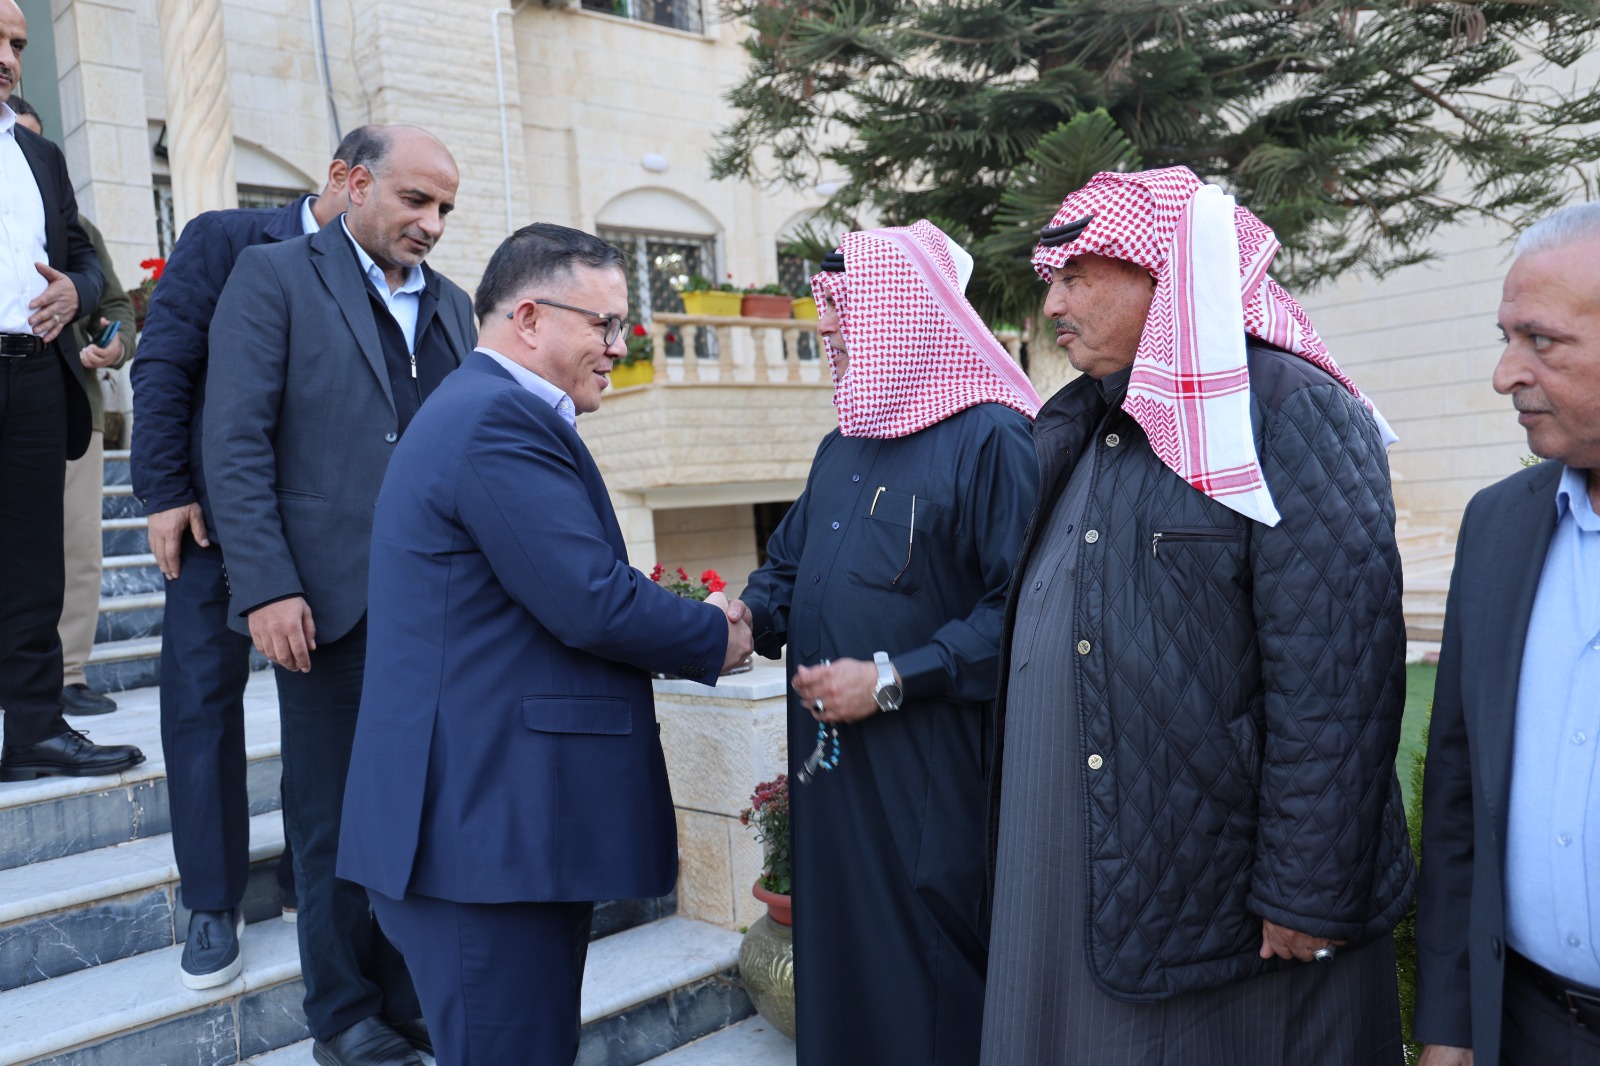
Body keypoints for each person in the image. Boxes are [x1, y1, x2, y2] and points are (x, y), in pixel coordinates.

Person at [981, 166, 1414, 1065]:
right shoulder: (1083, 421)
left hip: (1227, 902)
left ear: (1164, 273)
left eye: (1076, 277)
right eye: (1051, 280)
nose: (1053, 303)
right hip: (1096, 868)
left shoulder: (1291, 410)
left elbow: (1338, 675)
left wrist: (1309, 889)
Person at [339, 222, 754, 1066]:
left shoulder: (482, 410)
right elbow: (589, 601)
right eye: (605, 324)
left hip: (494, 832)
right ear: (529, 318)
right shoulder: (495, 419)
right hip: (482, 837)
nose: (620, 345)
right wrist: (718, 635)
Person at [729, 220, 1041, 1066]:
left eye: (846, 306)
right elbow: (787, 566)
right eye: (825, 307)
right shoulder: (843, 445)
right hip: (834, 781)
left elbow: (1025, 611)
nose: (827, 326)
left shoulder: (993, 437)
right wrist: (744, 620)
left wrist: (896, 677)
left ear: (911, 314)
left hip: (929, 778)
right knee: (843, 964)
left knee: (925, 975)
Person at [204, 125, 476, 1066]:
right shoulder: (273, 277)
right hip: (323, 607)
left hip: (440, 608)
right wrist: (268, 587)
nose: (432, 223)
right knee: (330, 822)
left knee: (421, 812)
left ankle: (407, 995)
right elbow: (234, 443)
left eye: (445, 208)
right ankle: (343, 1014)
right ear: (350, 183)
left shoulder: (453, 305)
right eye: (415, 200)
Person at [132, 128, 376, 991]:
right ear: (346, 182)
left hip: (327, 529)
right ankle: (211, 899)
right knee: (200, 698)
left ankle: (313, 877)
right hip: (213, 519)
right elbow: (164, 362)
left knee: (325, 707)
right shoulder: (224, 240)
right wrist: (164, 489)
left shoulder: (379, 274)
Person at [1414, 202, 1600, 1066]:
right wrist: (1451, 1024)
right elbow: (1458, 793)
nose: (1504, 375)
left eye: (1542, 341)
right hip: (1523, 1029)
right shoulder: (1497, 527)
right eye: (1506, 337)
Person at [0, 0, 143, 782]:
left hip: (33, 372)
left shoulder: (39, 157)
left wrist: (76, 294)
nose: (9, 58)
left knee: (34, 564)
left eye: (18, 43)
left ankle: (33, 731)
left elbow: (85, 261)